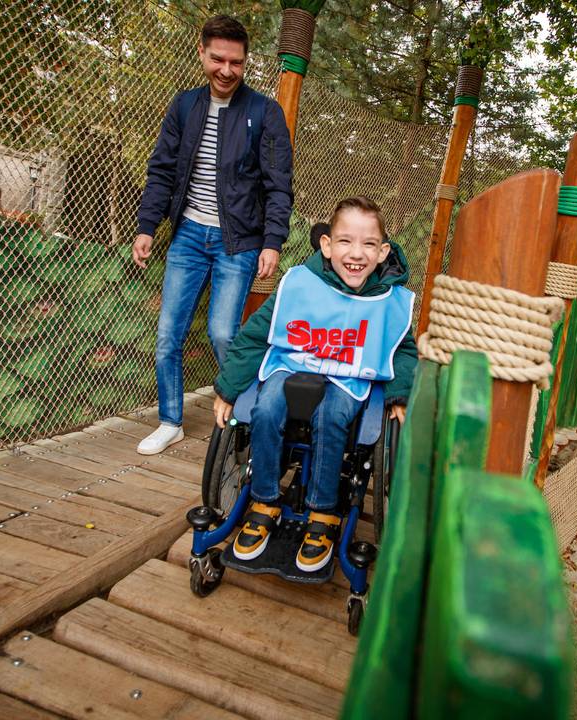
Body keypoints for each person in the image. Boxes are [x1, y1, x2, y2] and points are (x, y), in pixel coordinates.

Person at [211, 197, 417, 573]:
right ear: (326, 245)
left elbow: (402, 349)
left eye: (369, 244)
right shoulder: (299, 284)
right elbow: (258, 335)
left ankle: (324, 513)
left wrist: (400, 394)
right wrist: (228, 388)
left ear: (383, 251)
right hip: (291, 366)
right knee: (266, 406)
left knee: (333, 414)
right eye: (345, 241)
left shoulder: (390, 300)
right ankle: (265, 500)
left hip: (348, 376)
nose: (356, 253)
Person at [131, 15, 294, 455]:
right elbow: (162, 171)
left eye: (236, 62)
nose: (226, 70)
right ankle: (171, 421)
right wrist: (148, 227)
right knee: (168, 333)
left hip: (237, 242)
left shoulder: (264, 112)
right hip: (187, 237)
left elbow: (278, 185)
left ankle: (245, 415)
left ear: (246, 63)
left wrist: (272, 241)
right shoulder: (184, 106)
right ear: (201, 53)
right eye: (218, 59)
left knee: (224, 332)